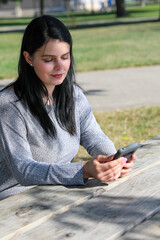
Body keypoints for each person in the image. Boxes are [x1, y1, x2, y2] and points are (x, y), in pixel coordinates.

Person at [0, 15, 135, 200]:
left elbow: (94, 137)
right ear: (29, 58)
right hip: (14, 200)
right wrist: (83, 170)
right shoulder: (9, 105)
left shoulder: (72, 94)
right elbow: (24, 170)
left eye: (65, 57)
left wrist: (113, 160)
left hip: (57, 193)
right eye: (48, 59)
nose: (60, 67)